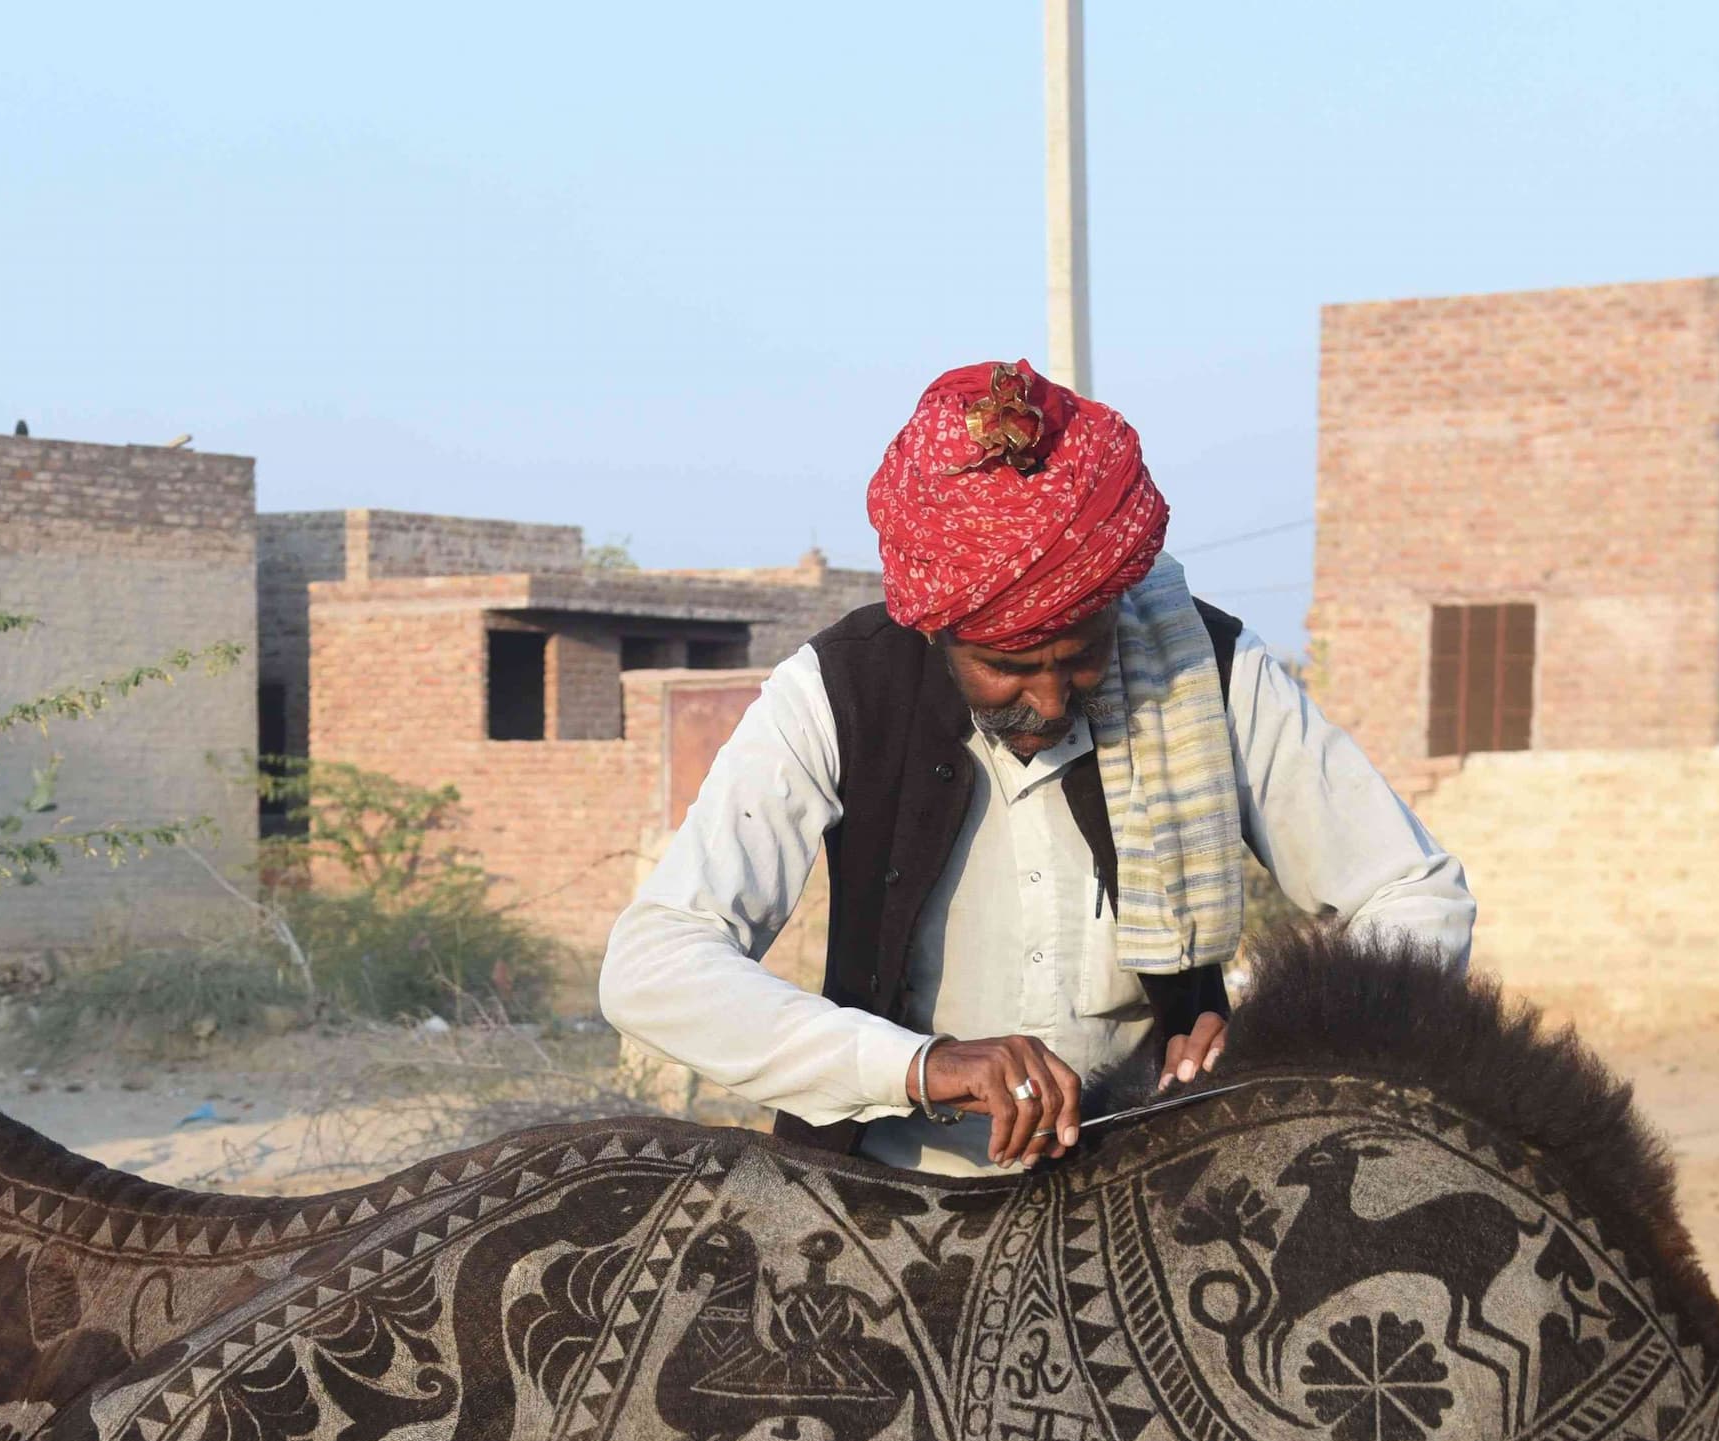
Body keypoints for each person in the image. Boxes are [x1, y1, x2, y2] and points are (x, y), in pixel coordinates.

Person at [600, 359, 1472, 1174]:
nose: (1051, 701)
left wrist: (1272, 1047)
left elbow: (1417, 894)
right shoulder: (837, 691)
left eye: (1081, 657)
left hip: (1153, 1194)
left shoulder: (1197, 668)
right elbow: (654, 967)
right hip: (885, 1202)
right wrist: (921, 1066)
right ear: (937, 629)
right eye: (1010, 667)